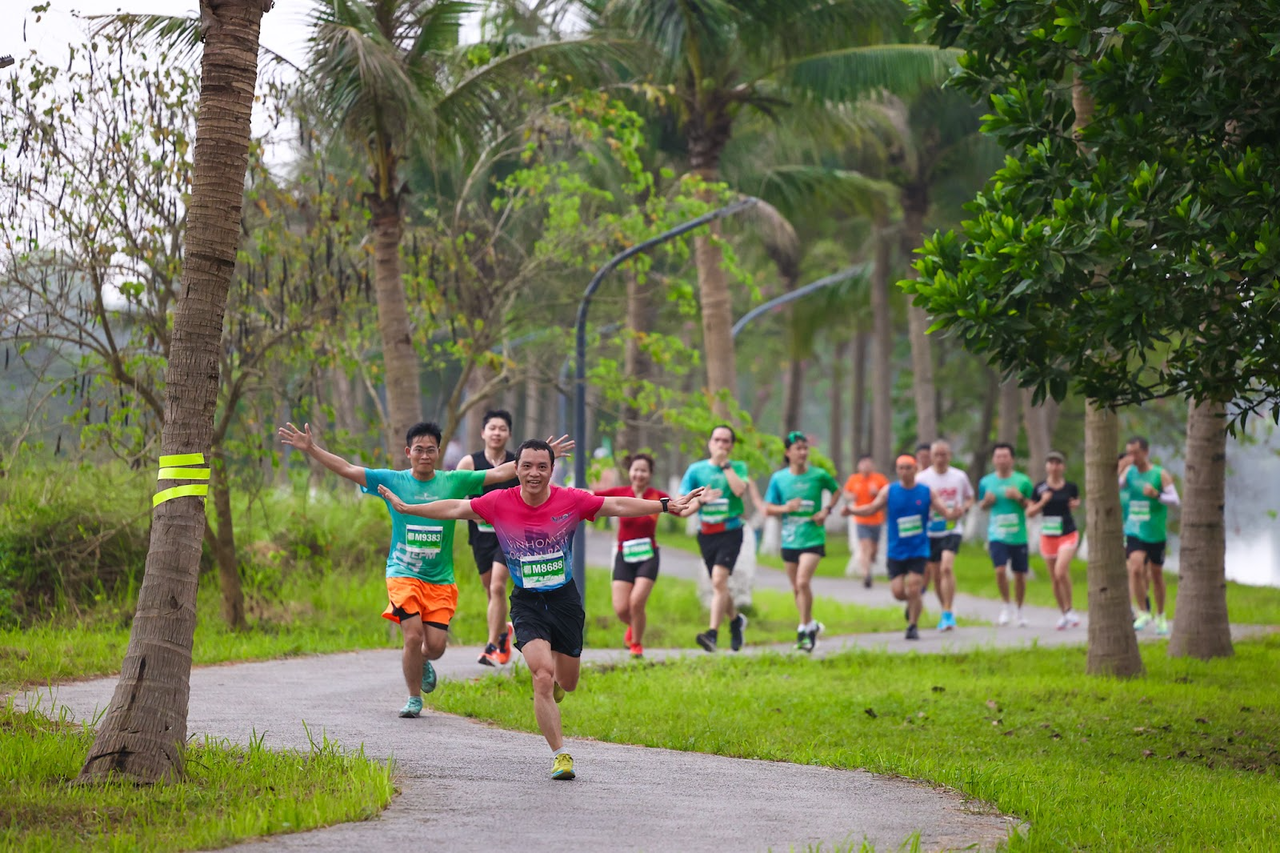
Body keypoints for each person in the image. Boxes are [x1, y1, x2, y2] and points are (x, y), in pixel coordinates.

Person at [378, 439, 710, 780]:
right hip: (527, 603)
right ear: (516, 469)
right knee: (541, 677)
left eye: (541, 467)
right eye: (526, 466)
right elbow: (453, 509)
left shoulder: (570, 500)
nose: (534, 473)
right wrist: (407, 508)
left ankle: (559, 686)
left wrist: (665, 505)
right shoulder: (498, 502)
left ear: (551, 470)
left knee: (567, 680)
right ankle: (560, 754)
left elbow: (616, 506)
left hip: (564, 601)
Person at [276, 421, 571, 719]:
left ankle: (422, 661)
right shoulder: (391, 480)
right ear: (408, 452)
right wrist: (311, 448)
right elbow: (348, 468)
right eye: (419, 450)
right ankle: (414, 698)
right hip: (402, 573)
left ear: (439, 452)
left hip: (440, 580)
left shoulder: (453, 481)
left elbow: (499, 473)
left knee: (436, 647)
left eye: (431, 450)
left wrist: (541, 459)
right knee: (413, 636)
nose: (425, 455)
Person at [846, 454, 957, 639]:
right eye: (900, 468)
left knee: (914, 587)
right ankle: (913, 603)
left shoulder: (926, 491)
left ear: (915, 469)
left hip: (919, 548)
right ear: (897, 471)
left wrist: (955, 514)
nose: (904, 471)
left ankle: (913, 626)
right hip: (896, 549)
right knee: (898, 592)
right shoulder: (889, 491)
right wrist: (852, 510)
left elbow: (944, 511)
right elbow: (872, 508)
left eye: (908, 467)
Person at [763, 432, 841, 652]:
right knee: (796, 588)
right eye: (798, 448)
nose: (803, 452)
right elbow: (768, 508)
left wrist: (826, 510)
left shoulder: (819, 475)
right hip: (789, 540)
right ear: (788, 452)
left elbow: (836, 491)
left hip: (813, 537)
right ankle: (811, 624)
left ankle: (803, 629)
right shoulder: (779, 479)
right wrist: (786, 508)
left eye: (805, 448)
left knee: (803, 582)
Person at [681, 425, 752, 653]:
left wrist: (726, 466)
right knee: (719, 584)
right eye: (717, 440)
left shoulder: (738, 467)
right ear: (710, 443)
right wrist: (701, 501)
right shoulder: (696, 470)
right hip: (707, 534)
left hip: (731, 531)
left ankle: (712, 634)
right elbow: (682, 507)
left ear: (731, 446)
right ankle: (735, 621)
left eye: (726, 441)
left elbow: (740, 490)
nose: (721, 445)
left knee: (719, 581)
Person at [455, 409, 519, 667]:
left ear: (509, 434)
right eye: (492, 428)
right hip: (480, 536)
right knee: (491, 592)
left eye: (502, 428)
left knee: (498, 586)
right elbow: (455, 496)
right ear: (483, 432)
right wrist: (473, 512)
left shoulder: (517, 463)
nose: (497, 433)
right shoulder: (469, 463)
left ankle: (491, 646)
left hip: (510, 537)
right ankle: (504, 633)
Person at [594, 453, 669, 658]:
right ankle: (635, 625)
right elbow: (590, 496)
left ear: (650, 474)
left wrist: (699, 502)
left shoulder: (656, 496)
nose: (639, 474)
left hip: (648, 555)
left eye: (644, 470)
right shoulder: (621, 493)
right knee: (621, 609)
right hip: (624, 555)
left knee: (636, 602)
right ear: (630, 472)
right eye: (636, 470)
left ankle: (636, 644)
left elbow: (681, 509)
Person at [1120, 436, 1180, 635]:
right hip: (1134, 529)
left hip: (1155, 532)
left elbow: (1175, 501)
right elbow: (1112, 487)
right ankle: (1143, 611)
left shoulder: (1159, 474)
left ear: (1146, 452)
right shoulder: (1129, 472)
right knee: (1135, 568)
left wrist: (1157, 495)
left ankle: (1161, 615)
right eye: (1129, 453)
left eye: (1135, 452)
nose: (1132, 457)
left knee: (1156, 574)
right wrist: (1121, 468)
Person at [916, 440, 975, 632]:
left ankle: (949, 611)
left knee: (946, 568)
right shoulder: (922, 478)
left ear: (950, 456)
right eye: (937, 455)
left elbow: (969, 497)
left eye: (944, 454)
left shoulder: (959, 476)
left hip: (952, 528)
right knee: (935, 574)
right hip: (931, 530)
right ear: (931, 457)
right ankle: (945, 611)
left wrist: (964, 509)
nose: (941, 458)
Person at [978, 443, 1035, 627]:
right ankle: (1005, 605)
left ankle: (1019, 610)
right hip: (997, 534)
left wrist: (1019, 497)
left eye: (1005, 456)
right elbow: (981, 506)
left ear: (1012, 459)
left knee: (1019, 575)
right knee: (1000, 570)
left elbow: (1032, 507)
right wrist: (986, 502)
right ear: (993, 460)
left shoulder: (1023, 481)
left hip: (1018, 535)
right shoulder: (986, 482)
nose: (1001, 460)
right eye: (998, 456)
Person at [1028, 450, 1081, 630]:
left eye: (1057, 463)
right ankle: (1065, 613)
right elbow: (1029, 512)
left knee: (1061, 570)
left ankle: (1070, 608)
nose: (1054, 466)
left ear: (1063, 467)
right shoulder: (1040, 488)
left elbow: (1076, 502)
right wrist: (1042, 502)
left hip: (1067, 532)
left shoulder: (1070, 487)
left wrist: (1076, 504)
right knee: (1055, 578)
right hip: (1048, 535)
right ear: (1046, 466)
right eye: (1050, 462)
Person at [843, 454, 889, 588]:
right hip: (861, 519)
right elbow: (846, 492)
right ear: (859, 466)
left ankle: (870, 561)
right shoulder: (854, 479)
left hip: (877, 519)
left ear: (873, 466)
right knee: (865, 547)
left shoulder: (879, 479)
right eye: (863, 464)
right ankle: (866, 575)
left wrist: (877, 494)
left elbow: (888, 495)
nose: (866, 467)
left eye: (868, 464)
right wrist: (851, 496)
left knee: (874, 549)